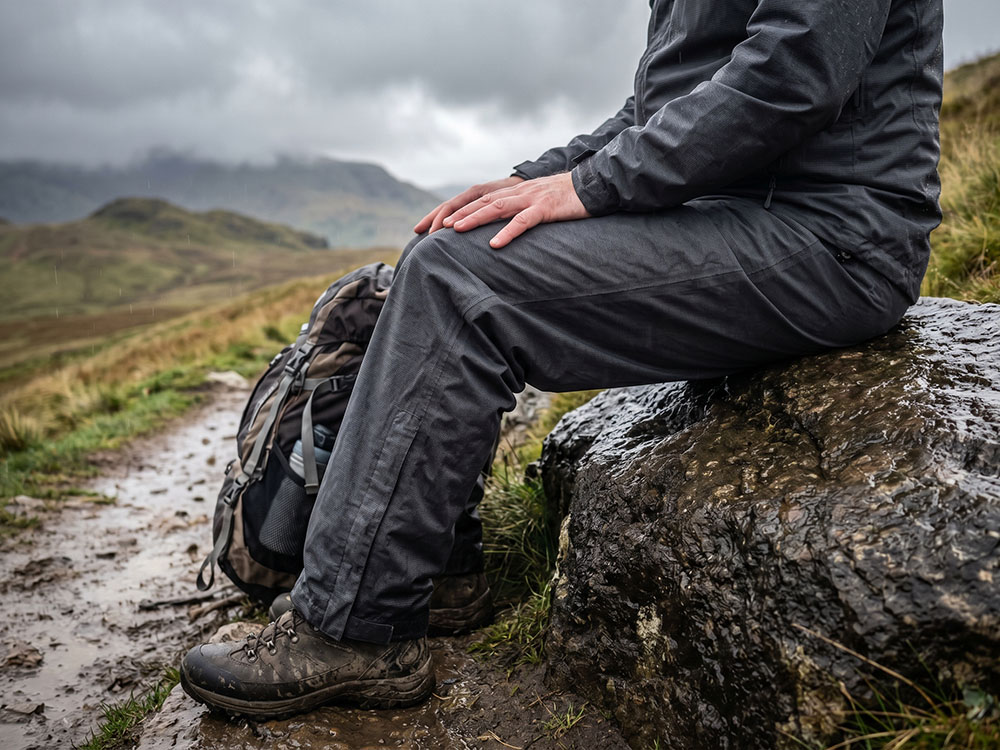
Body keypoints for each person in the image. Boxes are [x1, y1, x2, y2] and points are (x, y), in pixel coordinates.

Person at [180, 0, 943, 719]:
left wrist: (590, 185)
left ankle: (351, 630)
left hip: (834, 232)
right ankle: (430, 574)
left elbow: (793, 75)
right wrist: (534, 176)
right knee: (444, 247)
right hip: (743, 210)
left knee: (462, 282)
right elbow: (662, 103)